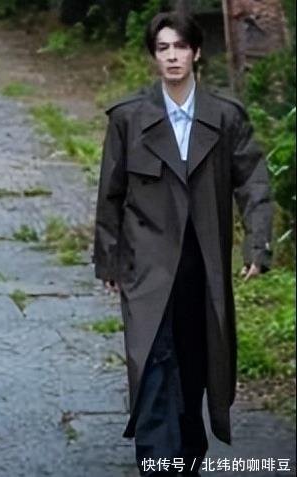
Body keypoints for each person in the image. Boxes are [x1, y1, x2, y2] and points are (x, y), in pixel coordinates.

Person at [93, 11, 272, 477]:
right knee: (154, 364)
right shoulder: (129, 118)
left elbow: (253, 182)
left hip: (202, 266)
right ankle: (159, 466)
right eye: (163, 48)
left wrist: (258, 245)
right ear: (154, 56)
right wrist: (108, 259)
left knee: (194, 370)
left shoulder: (225, 117)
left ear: (196, 52)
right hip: (147, 265)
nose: (172, 56)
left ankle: (184, 458)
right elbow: (111, 191)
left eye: (180, 47)